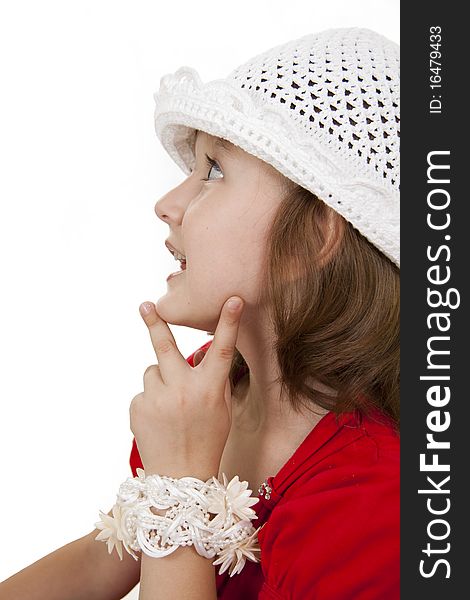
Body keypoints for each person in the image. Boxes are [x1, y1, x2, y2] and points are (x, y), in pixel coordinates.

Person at [0, 27, 399, 599]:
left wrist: (181, 483)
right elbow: (104, 560)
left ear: (313, 238)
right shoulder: (210, 395)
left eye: (213, 170)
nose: (168, 205)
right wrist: (171, 483)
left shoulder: (376, 508)